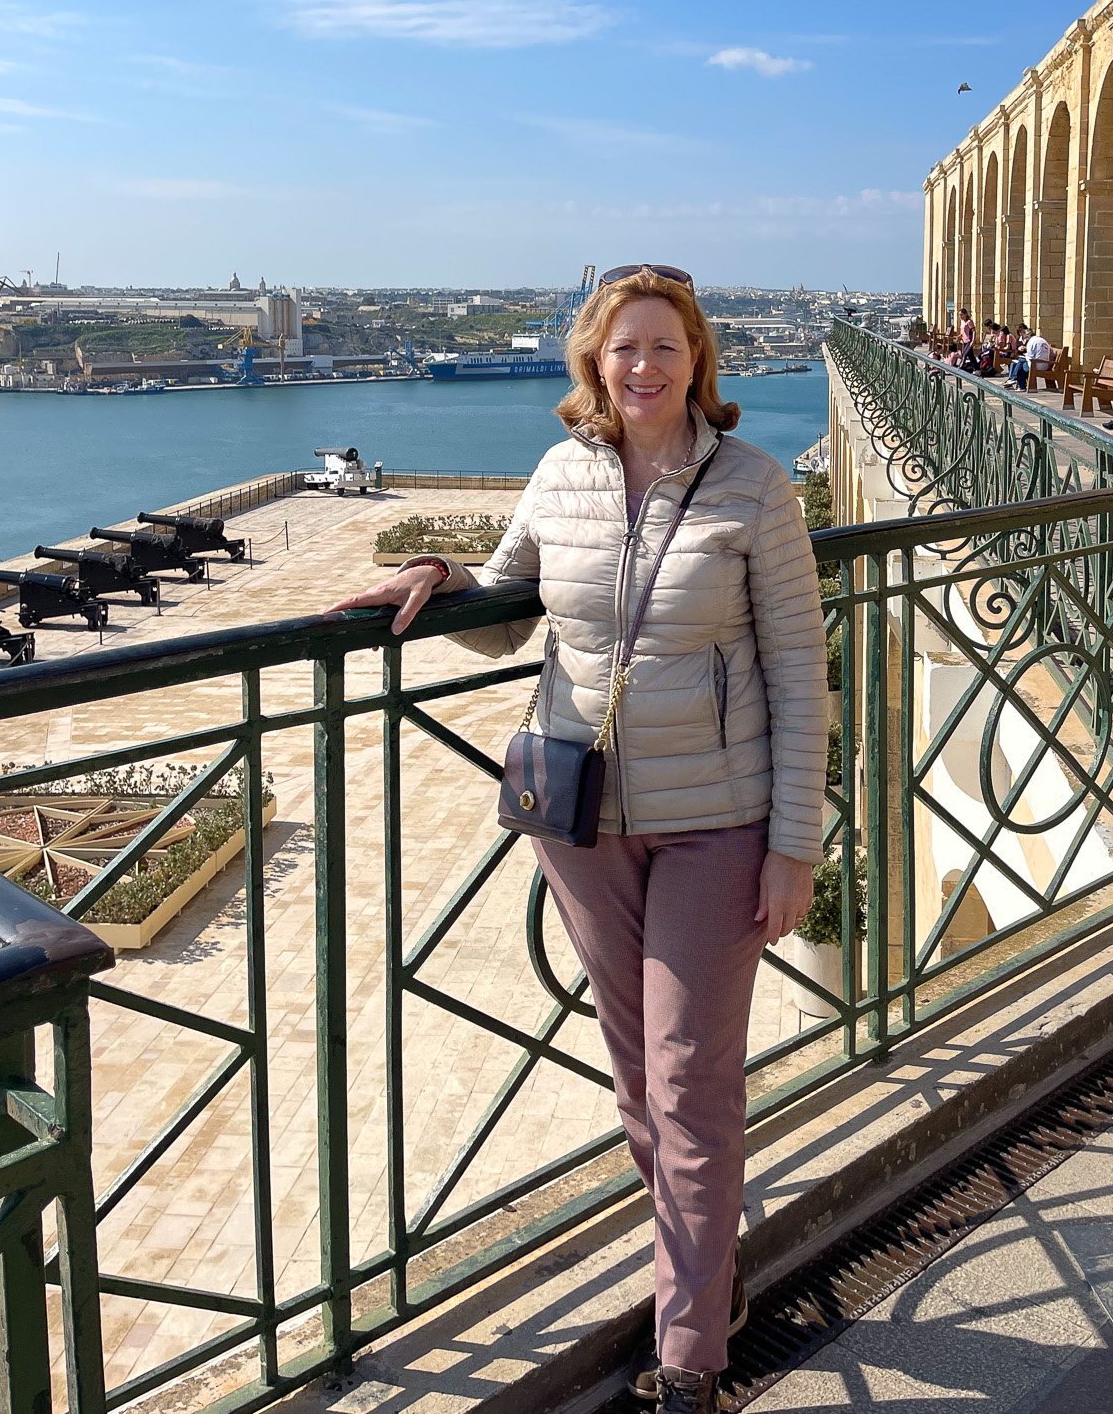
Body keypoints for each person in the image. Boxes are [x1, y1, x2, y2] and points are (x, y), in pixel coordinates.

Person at [329, 266, 827, 1414]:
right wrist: (437, 576)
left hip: (718, 816)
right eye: (622, 349)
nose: (643, 366)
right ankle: (706, 1275)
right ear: (593, 363)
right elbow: (511, 597)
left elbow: (799, 671)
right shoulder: (560, 472)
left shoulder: (755, 486)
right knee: (634, 1078)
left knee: (691, 1074)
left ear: (698, 357)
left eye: (663, 346)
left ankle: (691, 1348)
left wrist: (792, 841)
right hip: (580, 816)